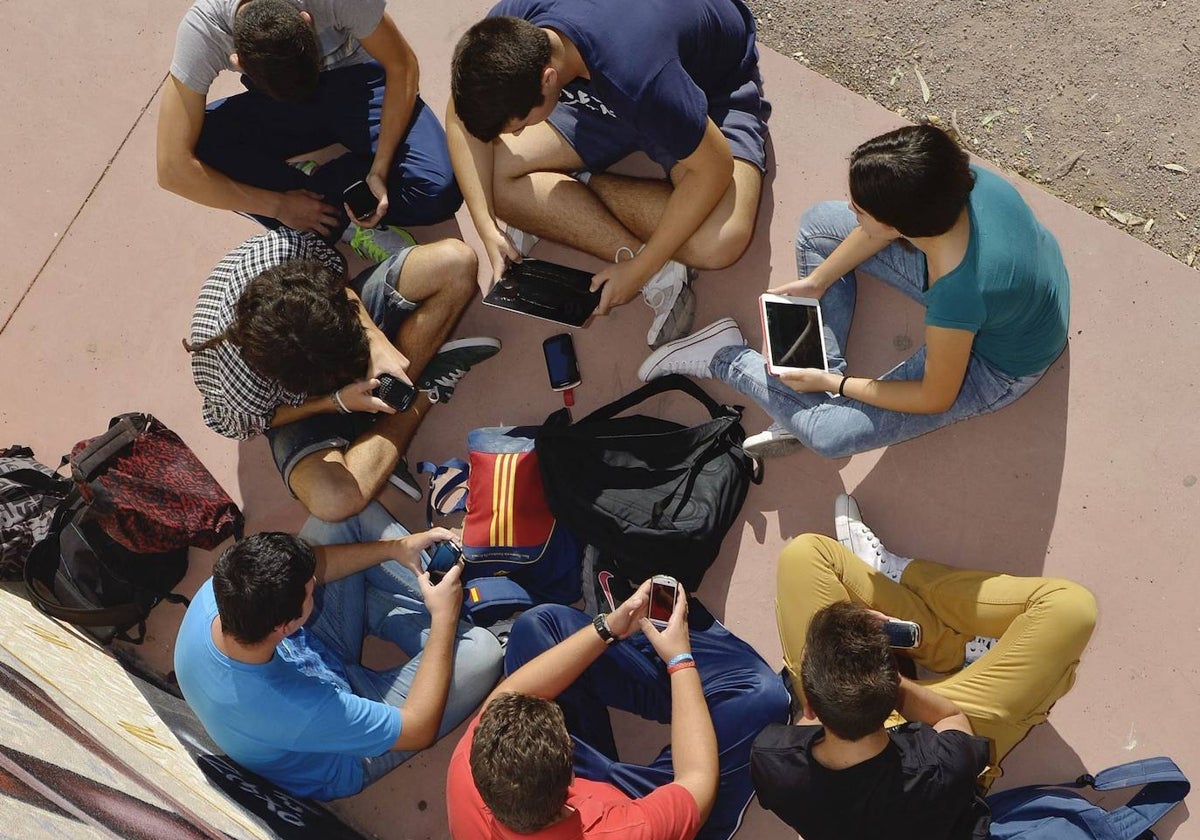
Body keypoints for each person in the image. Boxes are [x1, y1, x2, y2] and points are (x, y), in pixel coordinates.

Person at [638, 123, 1070, 457]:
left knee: (827, 435)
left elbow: (935, 396)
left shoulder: (956, 294)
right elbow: (878, 229)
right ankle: (806, 397)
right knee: (817, 229)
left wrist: (838, 383)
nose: (851, 209)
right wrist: (817, 282)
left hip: (1001, 364)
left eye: (862, 210)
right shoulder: (954, 180)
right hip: (1015, 289)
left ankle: (727, 357)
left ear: (901, 226)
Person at [749, 494, 1097, 839]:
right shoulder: (941, 767)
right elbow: (950, 719)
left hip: (867, 715)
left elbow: (801, 736)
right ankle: (905, 583)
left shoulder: (772, 762)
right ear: (894, 681)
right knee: (1071, 608)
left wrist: (851, 684)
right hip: (940, 730)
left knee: (803, 555)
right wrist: (878, 680)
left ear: (808, 704)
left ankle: (935, 634)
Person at [446, 0, 771, 348]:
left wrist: (641, 268)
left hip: (705, 88)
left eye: (522, 124)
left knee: (720, 242)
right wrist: (486, 227)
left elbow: (713, 168)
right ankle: (656, 264)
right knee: (488, 179)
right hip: (602, 90)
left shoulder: (639, 75)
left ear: (547, 78)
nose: (519, 135)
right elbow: (460, 116)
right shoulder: (511, 29)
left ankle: (582, 189)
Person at [174, 503, 504, 800]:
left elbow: (310, 570)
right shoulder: (292, 708)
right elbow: (417, 729)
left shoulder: (225, 590)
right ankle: (444, 608)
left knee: (340, 513)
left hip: (308, 653)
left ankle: (427, 604)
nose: (316, 584)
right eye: (310, 592)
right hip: (342, 744)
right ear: (285, 625)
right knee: (483, 653)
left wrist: (394, 548)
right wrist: (444, 618)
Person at [185, 228, 499, 521]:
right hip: (302, 408)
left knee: (456, 261)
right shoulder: (234, 379)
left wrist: (375, 341)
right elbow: (251, 422)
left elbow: (338, 285)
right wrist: (334, 402)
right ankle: (416, 396)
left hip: (333, 330)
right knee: (333, 502)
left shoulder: (285, 249)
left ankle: (375, 446)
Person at [446, 582, 790, 839]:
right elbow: (697, 784)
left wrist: (608, 627)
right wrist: (679, 659)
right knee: (763, 697)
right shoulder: (622, 831)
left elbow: (511, 691)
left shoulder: (469, 764)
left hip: (567, 802)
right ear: (570, 776)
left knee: (537, 628)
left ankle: (667, 676)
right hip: (628, 809)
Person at [157, 0, 461, 260]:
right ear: (238, 59)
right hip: (279, 101)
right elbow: (172, 168)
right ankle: (336, 217)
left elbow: (402, 65)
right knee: (198, 146)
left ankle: (320, 203)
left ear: (306, 18)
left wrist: (380, 169)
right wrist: (278, 206)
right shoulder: (204, 28)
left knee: (438, 190)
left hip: (357, 81)